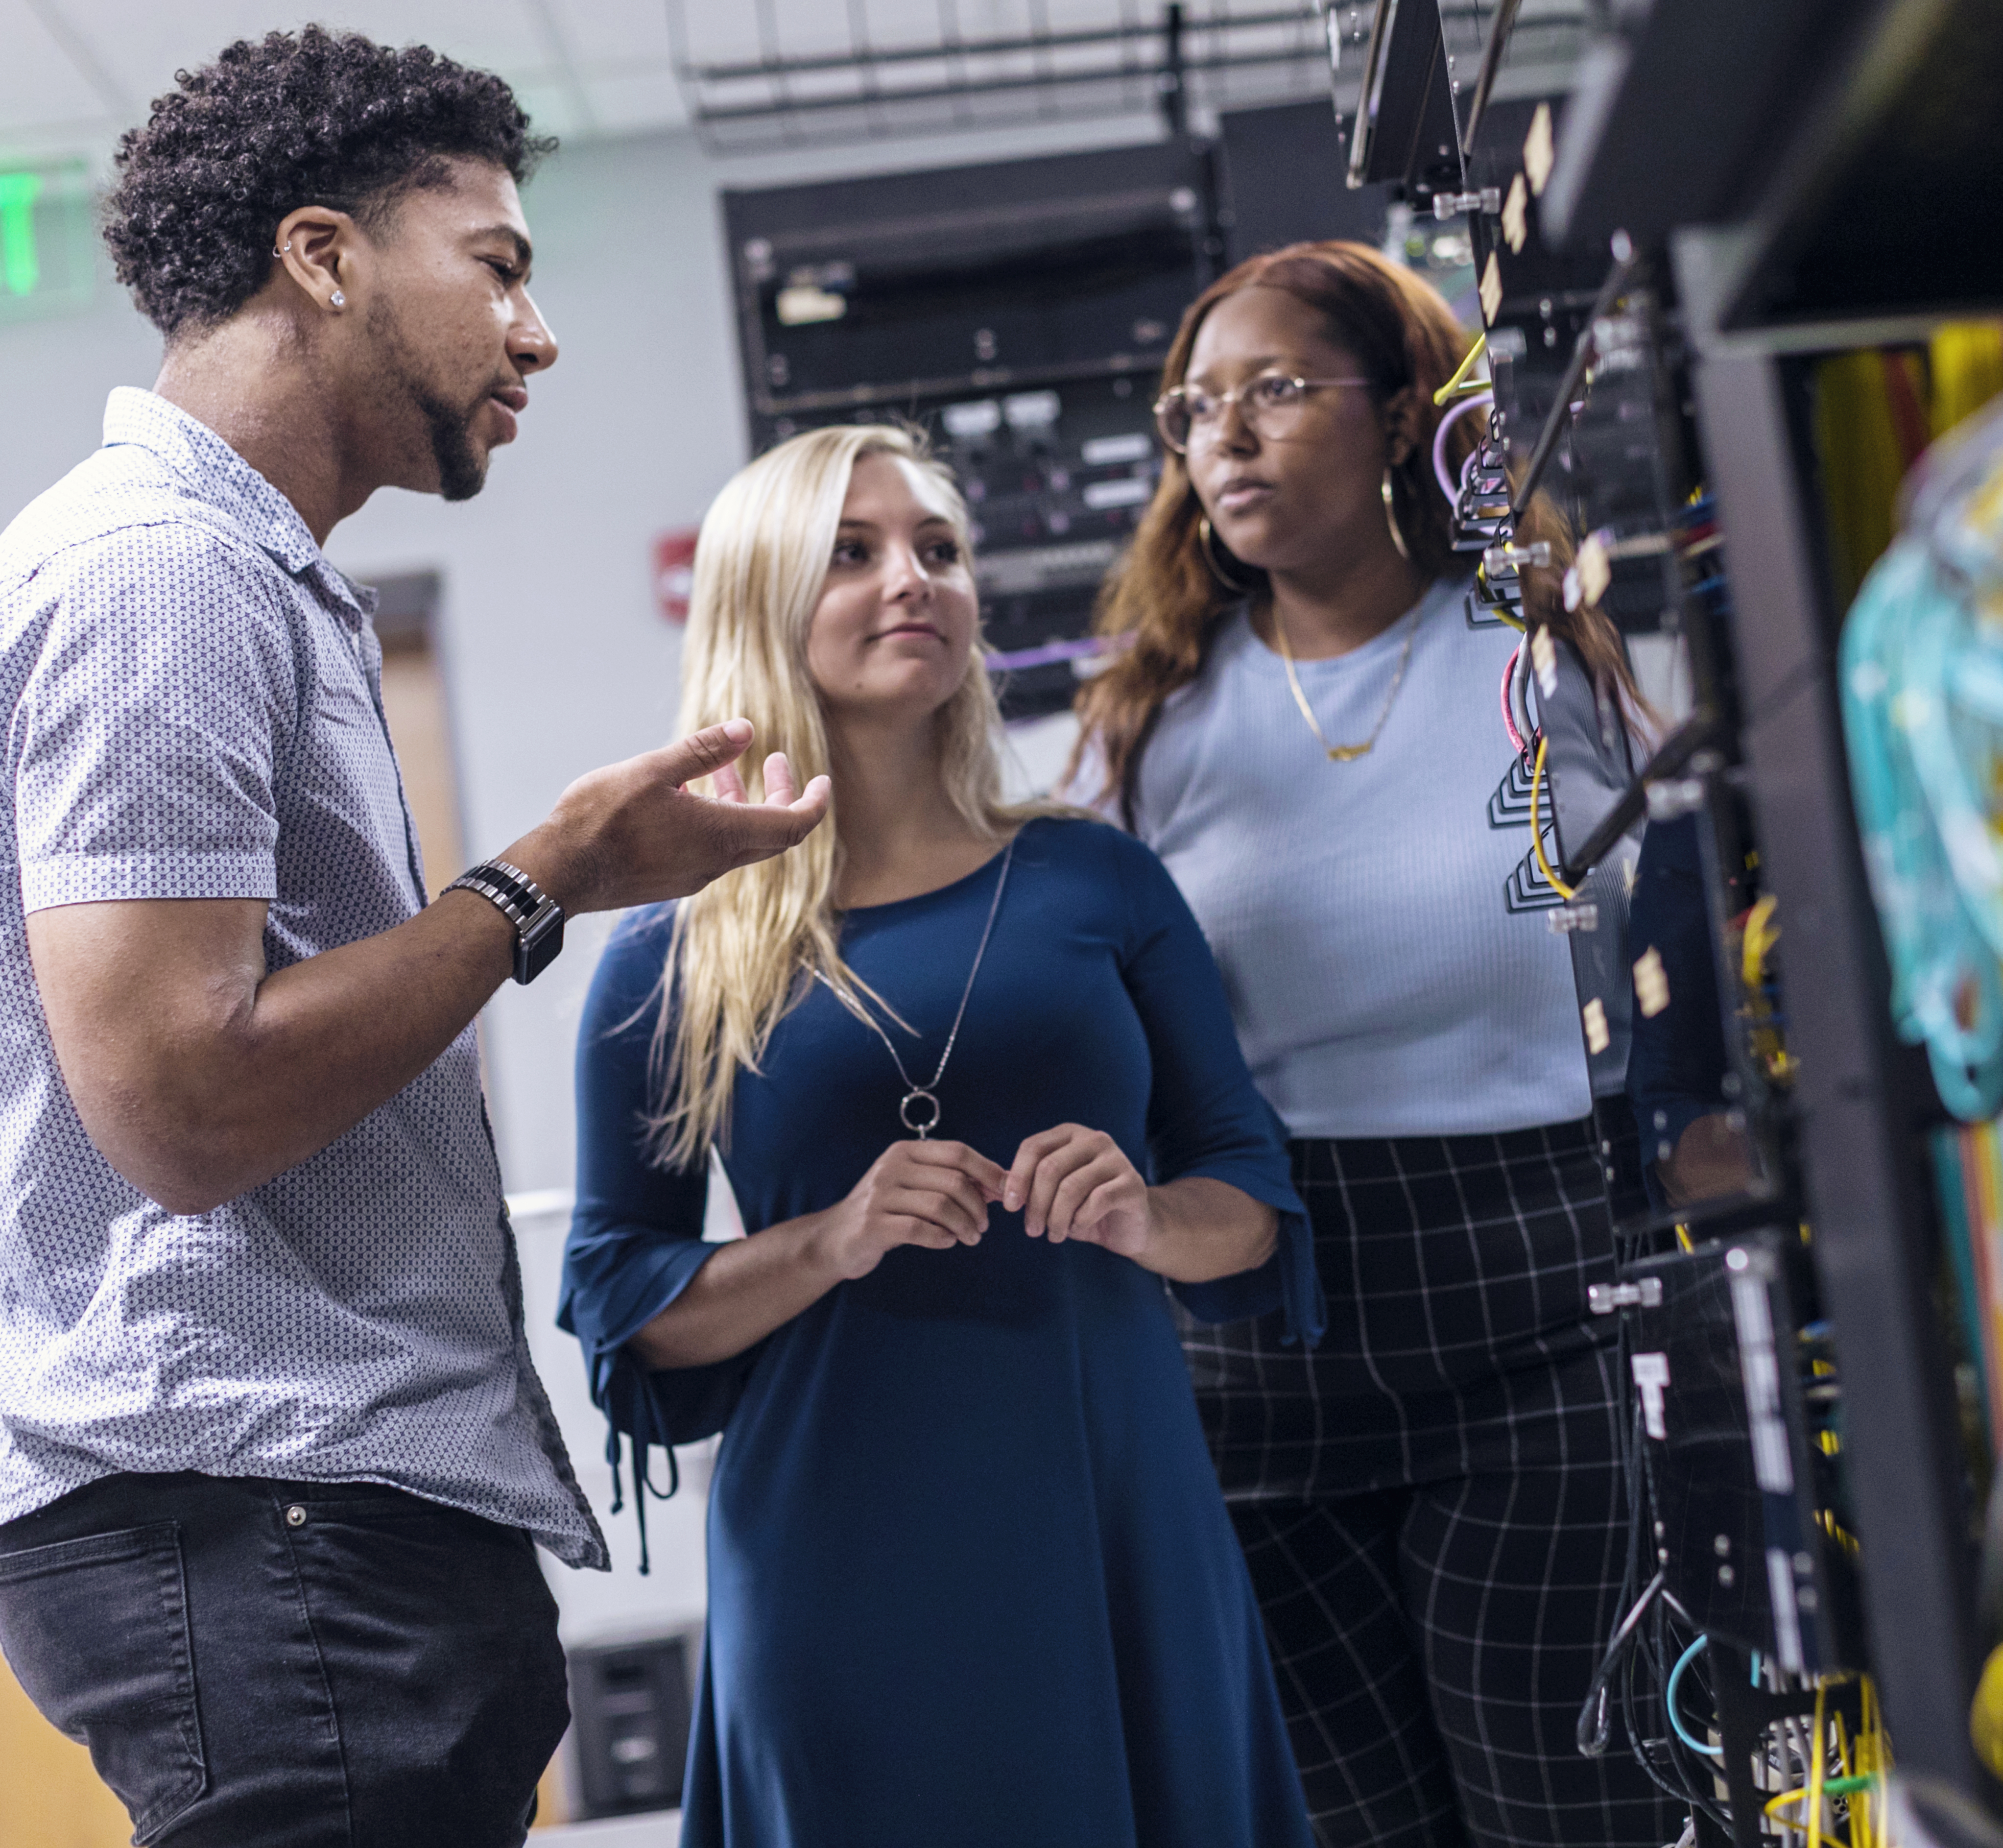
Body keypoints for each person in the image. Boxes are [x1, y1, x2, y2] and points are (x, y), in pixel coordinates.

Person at [0, 31, 832, 1848]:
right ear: (325, 257)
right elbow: (180, 1106)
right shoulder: (162, 574)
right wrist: (545, 878)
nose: (535, 335)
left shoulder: (246, 575)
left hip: (298, 1514)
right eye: (502, 268)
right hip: (263, 1511)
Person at [561, 423, 1320, 1848]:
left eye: (938, 550)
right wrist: (829, 1241)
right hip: (840, 1550)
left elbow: (1249, 1195)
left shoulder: (1095, 878)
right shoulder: (668, 956)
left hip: (1114, 1520)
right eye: (851, 553)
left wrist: (1149, 1215)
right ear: (759, 604)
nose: (910, 579)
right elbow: (621, 1304)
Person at [1069, 240, 1680, 1846]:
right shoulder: (1152, 717)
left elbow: (1684, 949)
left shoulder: (1540, 659)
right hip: (1257, 1326)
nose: (1229, 437)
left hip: (1535, 1301)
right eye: (1196, 408)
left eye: (1277, 389)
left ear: (1405, 411)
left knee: (1573, 1809)